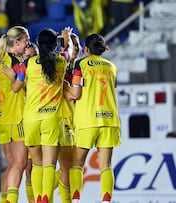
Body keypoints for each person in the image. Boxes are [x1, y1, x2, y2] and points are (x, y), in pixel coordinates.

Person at [4, 27, 72, 203]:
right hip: (51, 119)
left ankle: (37, 199)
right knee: (50, 164)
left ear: (39, 44)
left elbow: (15, 88)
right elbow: (69, 51)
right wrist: (66, 37)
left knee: (36, 163)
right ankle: (45, 199)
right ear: (53, 44)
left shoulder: (27, 64)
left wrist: (13, 78)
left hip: (31, 119)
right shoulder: (61, 61)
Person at [65, 33, 121, 203]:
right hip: (109, 120)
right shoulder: (112, 67)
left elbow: (76, 92)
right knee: (106, 166)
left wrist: (63, 90)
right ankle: (106, 200)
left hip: (87, 120)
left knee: (77, 163)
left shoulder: (81, 64)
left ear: (87, 49)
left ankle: (75, 200)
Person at [0, 25, 30, 203]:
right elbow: (17, 88)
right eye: (26, 41)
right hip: (16, 117)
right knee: (20, 164)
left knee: (11, 166)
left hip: (1, 118)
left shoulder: (0, 60)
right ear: (17, 42)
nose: (27, 44)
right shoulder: (16, 62)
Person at [57, 32, 82, 203]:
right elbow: (72, 94)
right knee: (68, 167)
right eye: (73, 45)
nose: (76, 49)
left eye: (78, 45)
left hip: (73, 119)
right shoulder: (61, 67)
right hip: (62, 118)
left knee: (70, 167)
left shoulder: (77, 67)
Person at [22, 42, 38, 203]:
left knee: (43, 166)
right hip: (25, 123)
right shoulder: (19, 74)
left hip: (41, 121)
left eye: (32, 57)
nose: (29, 60)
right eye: (26, 57)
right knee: (29, 169)